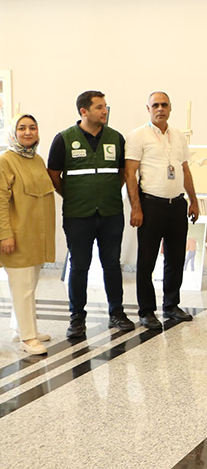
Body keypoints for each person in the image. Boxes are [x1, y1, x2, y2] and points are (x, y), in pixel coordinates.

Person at [46, 90, 135, 338]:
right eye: (99, 107)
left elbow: (122, 173)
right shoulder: (64, 139)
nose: (104, 111)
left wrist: (106, 192)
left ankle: (117, 312)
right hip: (78, 214)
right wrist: (73, 194)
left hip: (110, 213)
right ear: (83, 111)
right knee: (79, 266)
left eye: (105, 106)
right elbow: (53, 175)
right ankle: (77, 317)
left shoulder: (116, 138)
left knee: (112, 264)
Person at [126, 91, 200, 330]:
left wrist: (193, 200)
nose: (160, 109)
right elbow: (130, 174)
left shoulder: (178, 136)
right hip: (150, 205)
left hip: (176, 205)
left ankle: (171, 305)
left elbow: (185, 170)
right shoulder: (138, 136)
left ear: (170, 108)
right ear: (148, 108)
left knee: (176, 258)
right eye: (155, 105)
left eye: (164, 105)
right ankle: (146, 311)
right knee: (146, 261)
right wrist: (136, 208)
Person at [0, 115, 56, 354]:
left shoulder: (37, 159)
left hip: (37, 235)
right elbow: (1, 200)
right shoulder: (5, 161)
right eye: (22, 128)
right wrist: (5, 234)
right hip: (17, 234)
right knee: (22, 287)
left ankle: (20, 328)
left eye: (32, 127)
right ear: (13, 133)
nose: (28, 132)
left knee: (29, 285)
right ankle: (28, 338)